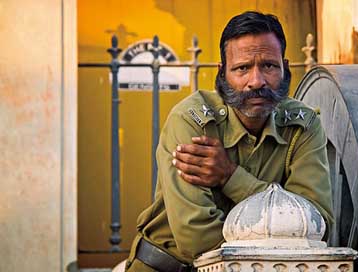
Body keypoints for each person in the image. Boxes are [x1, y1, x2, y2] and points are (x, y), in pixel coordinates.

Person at [125, 11, 334, 272]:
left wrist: (230, 176)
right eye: (242, 68)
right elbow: (196, 238)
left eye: (268, 66)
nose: (256, 81)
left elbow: (316, 224)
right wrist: (279, 235)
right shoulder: (191, 121)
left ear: (285, 68)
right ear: (223, 73)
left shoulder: (303, 125)